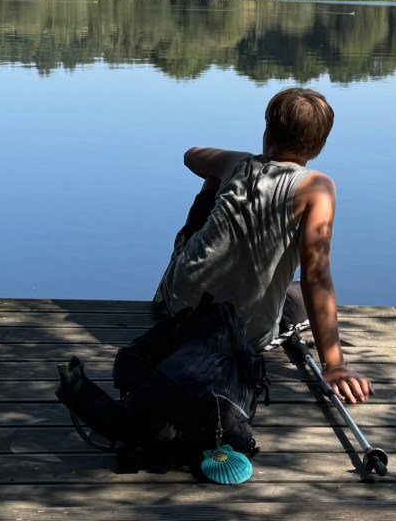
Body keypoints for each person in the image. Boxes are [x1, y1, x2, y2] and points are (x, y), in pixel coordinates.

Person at [153, 87, 373, 404]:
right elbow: (316, 275)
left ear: (268, 131)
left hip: (176, 306)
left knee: (213, 176)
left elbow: (192, 155)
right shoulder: (318, 187)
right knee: (303, 297)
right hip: (242, 335)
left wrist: (237, 168)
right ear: (320, 145)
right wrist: (334, 365)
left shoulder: (238, 164)